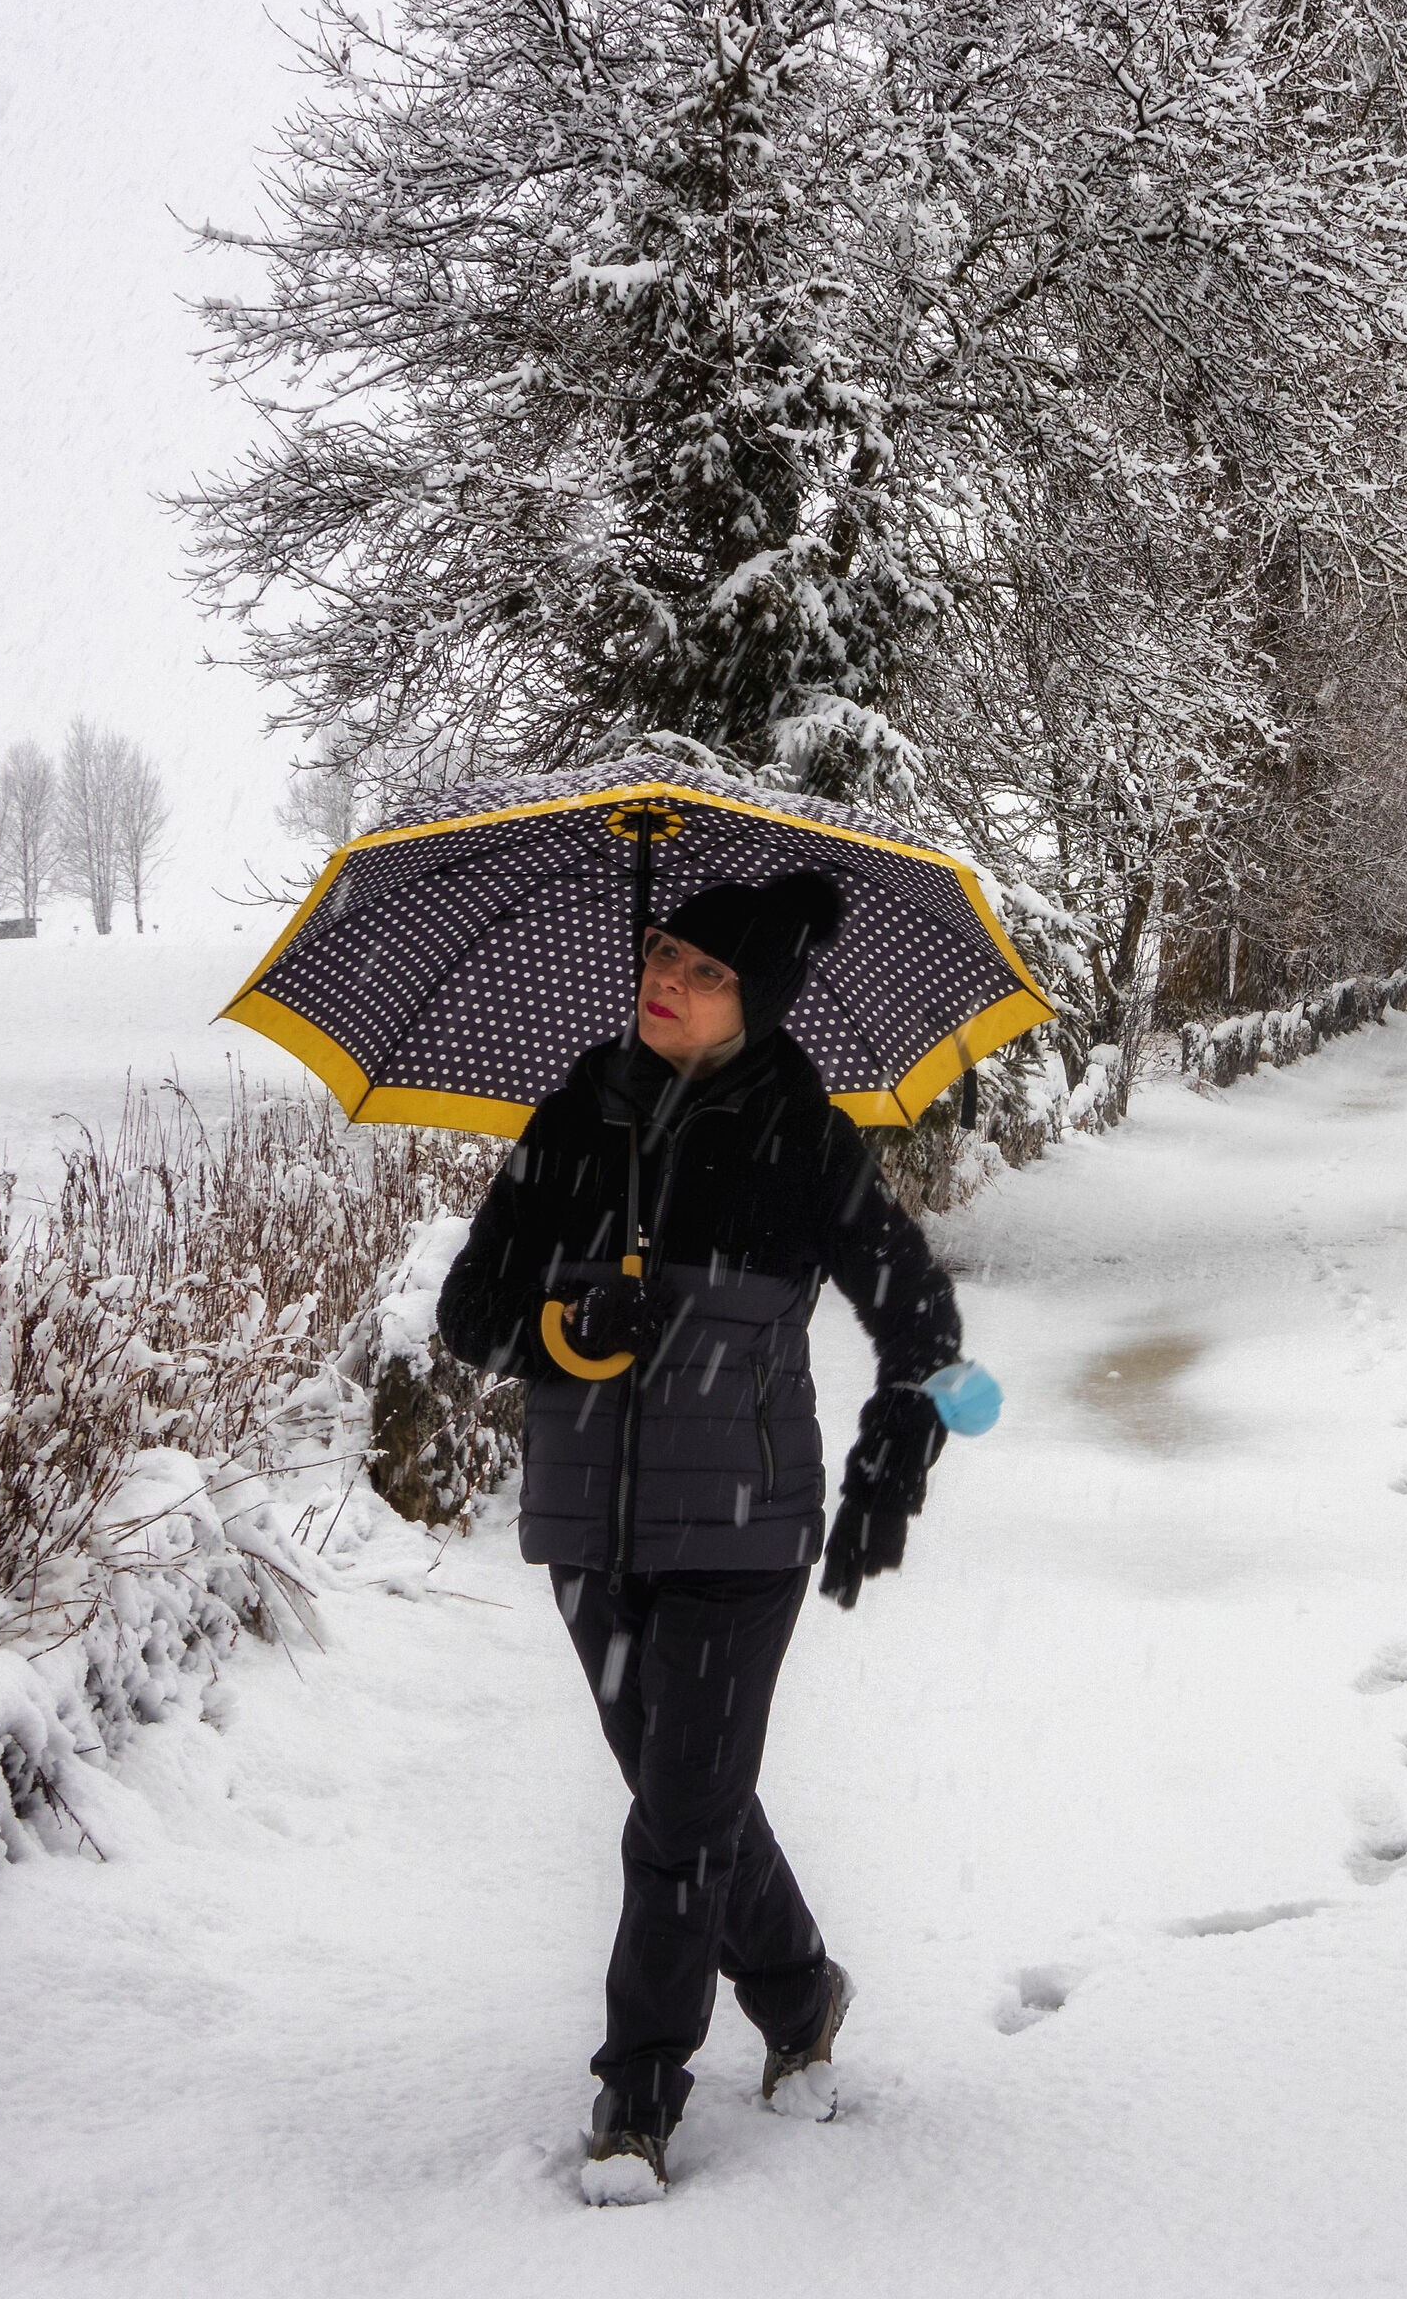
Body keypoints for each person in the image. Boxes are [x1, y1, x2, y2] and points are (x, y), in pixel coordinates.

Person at [435, 870, 961, 2204]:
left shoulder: (803, 1135)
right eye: (661, 950)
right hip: (586, 1530)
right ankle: (800, 1991)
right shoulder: (575, 1114)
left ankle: (638, 2093)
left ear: (760, 1001)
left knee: (675, 1818)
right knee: (692, 1796)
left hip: (743, 1531)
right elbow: (469, 1313)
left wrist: (907, 1428)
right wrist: (562, 1324)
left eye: (704, 968)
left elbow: (921, 1315)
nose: (665, 976)